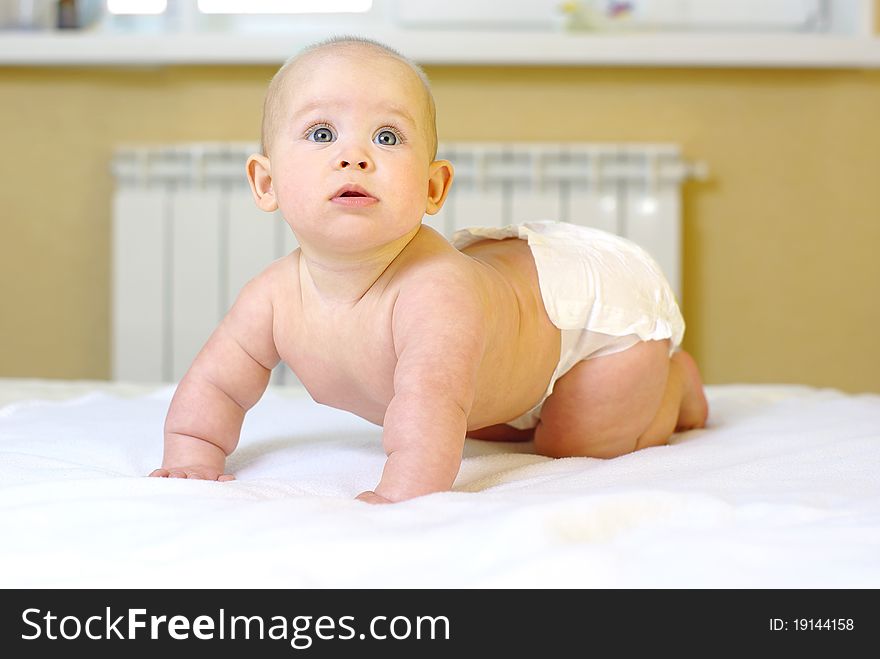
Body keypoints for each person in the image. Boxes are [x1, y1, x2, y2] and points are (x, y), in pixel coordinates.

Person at [149, 36, 708, 503]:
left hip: (584, 321)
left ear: (433, 187)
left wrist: (401, 496)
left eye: (387, 137)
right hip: (506, 343)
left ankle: (673, 382)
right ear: (266, 184)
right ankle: (537, 396)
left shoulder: (433, 291)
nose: (354, 155)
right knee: (479, 413)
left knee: (575, 440)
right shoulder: (271, 297)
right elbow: (217, 385)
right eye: (322, 133)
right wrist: (192, 454)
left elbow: (429, 410)